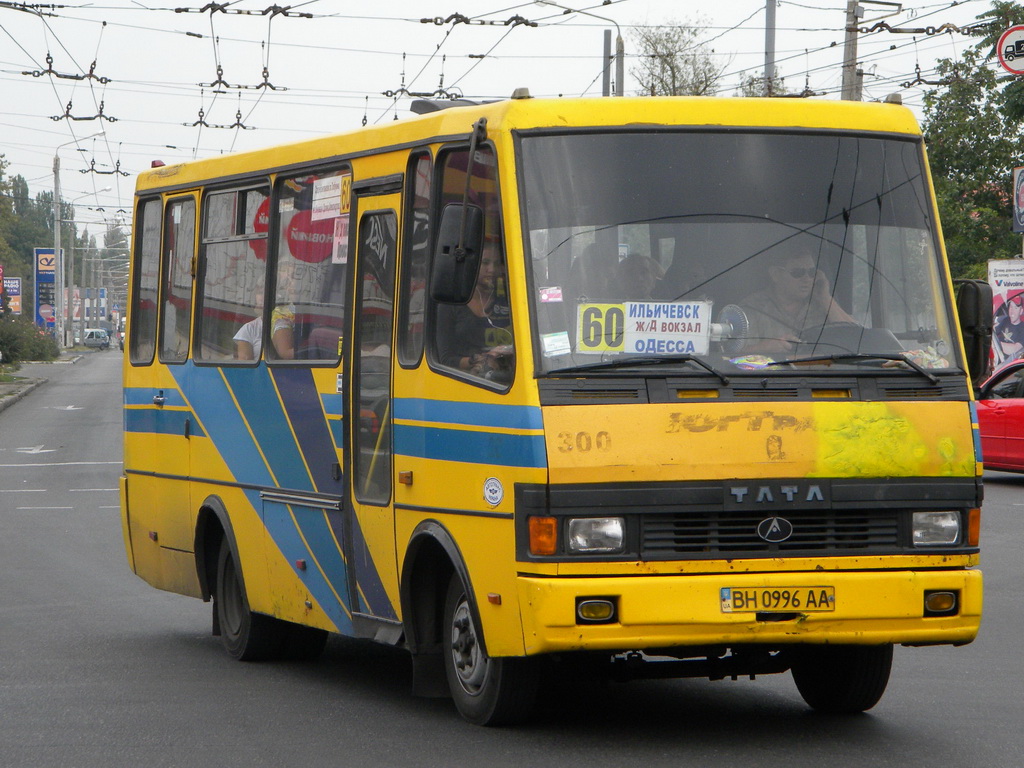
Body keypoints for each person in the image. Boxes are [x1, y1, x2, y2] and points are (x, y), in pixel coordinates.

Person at [741, 248, 856, 356]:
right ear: (775, 274)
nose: (806, 278)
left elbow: (856, 339)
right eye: (797, 272)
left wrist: (825, 298)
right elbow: (730, 356)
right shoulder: (751, 308)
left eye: (811, 272)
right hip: (769, 376)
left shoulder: (823, 306)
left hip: (821, 375)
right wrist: (765, 348)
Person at [435, 240, 514, 381]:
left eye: (496, 264)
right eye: (485, 263)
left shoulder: (510, 301)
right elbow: (445, 359)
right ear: (472, 265)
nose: (491, 269)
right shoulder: (451, 303)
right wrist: (484, 359)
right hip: (466, 382)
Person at [994, 291, 1024, 364]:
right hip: (996, 358)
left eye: (1015, 308)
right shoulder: (1005, 320)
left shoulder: (1022, 328)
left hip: (1009, 365)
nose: (1012, 311)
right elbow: (993, 331)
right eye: (1010, 307)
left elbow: (1014, 349)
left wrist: (995, 343)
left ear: (1021, 311)